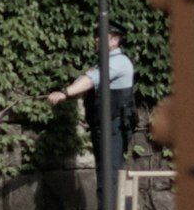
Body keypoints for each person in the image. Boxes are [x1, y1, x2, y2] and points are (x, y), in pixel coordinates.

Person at [47, 24, 136, 160]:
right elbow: (85, 78)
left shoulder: (118, 62)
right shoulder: (104, 61)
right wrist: (69, 91)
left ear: (114, 40)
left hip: (112, 126)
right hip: (104, 125)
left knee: (109, 173)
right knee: (104, 171)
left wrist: (65, 93)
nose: (96, 39)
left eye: (101, 36)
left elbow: (90, 80)